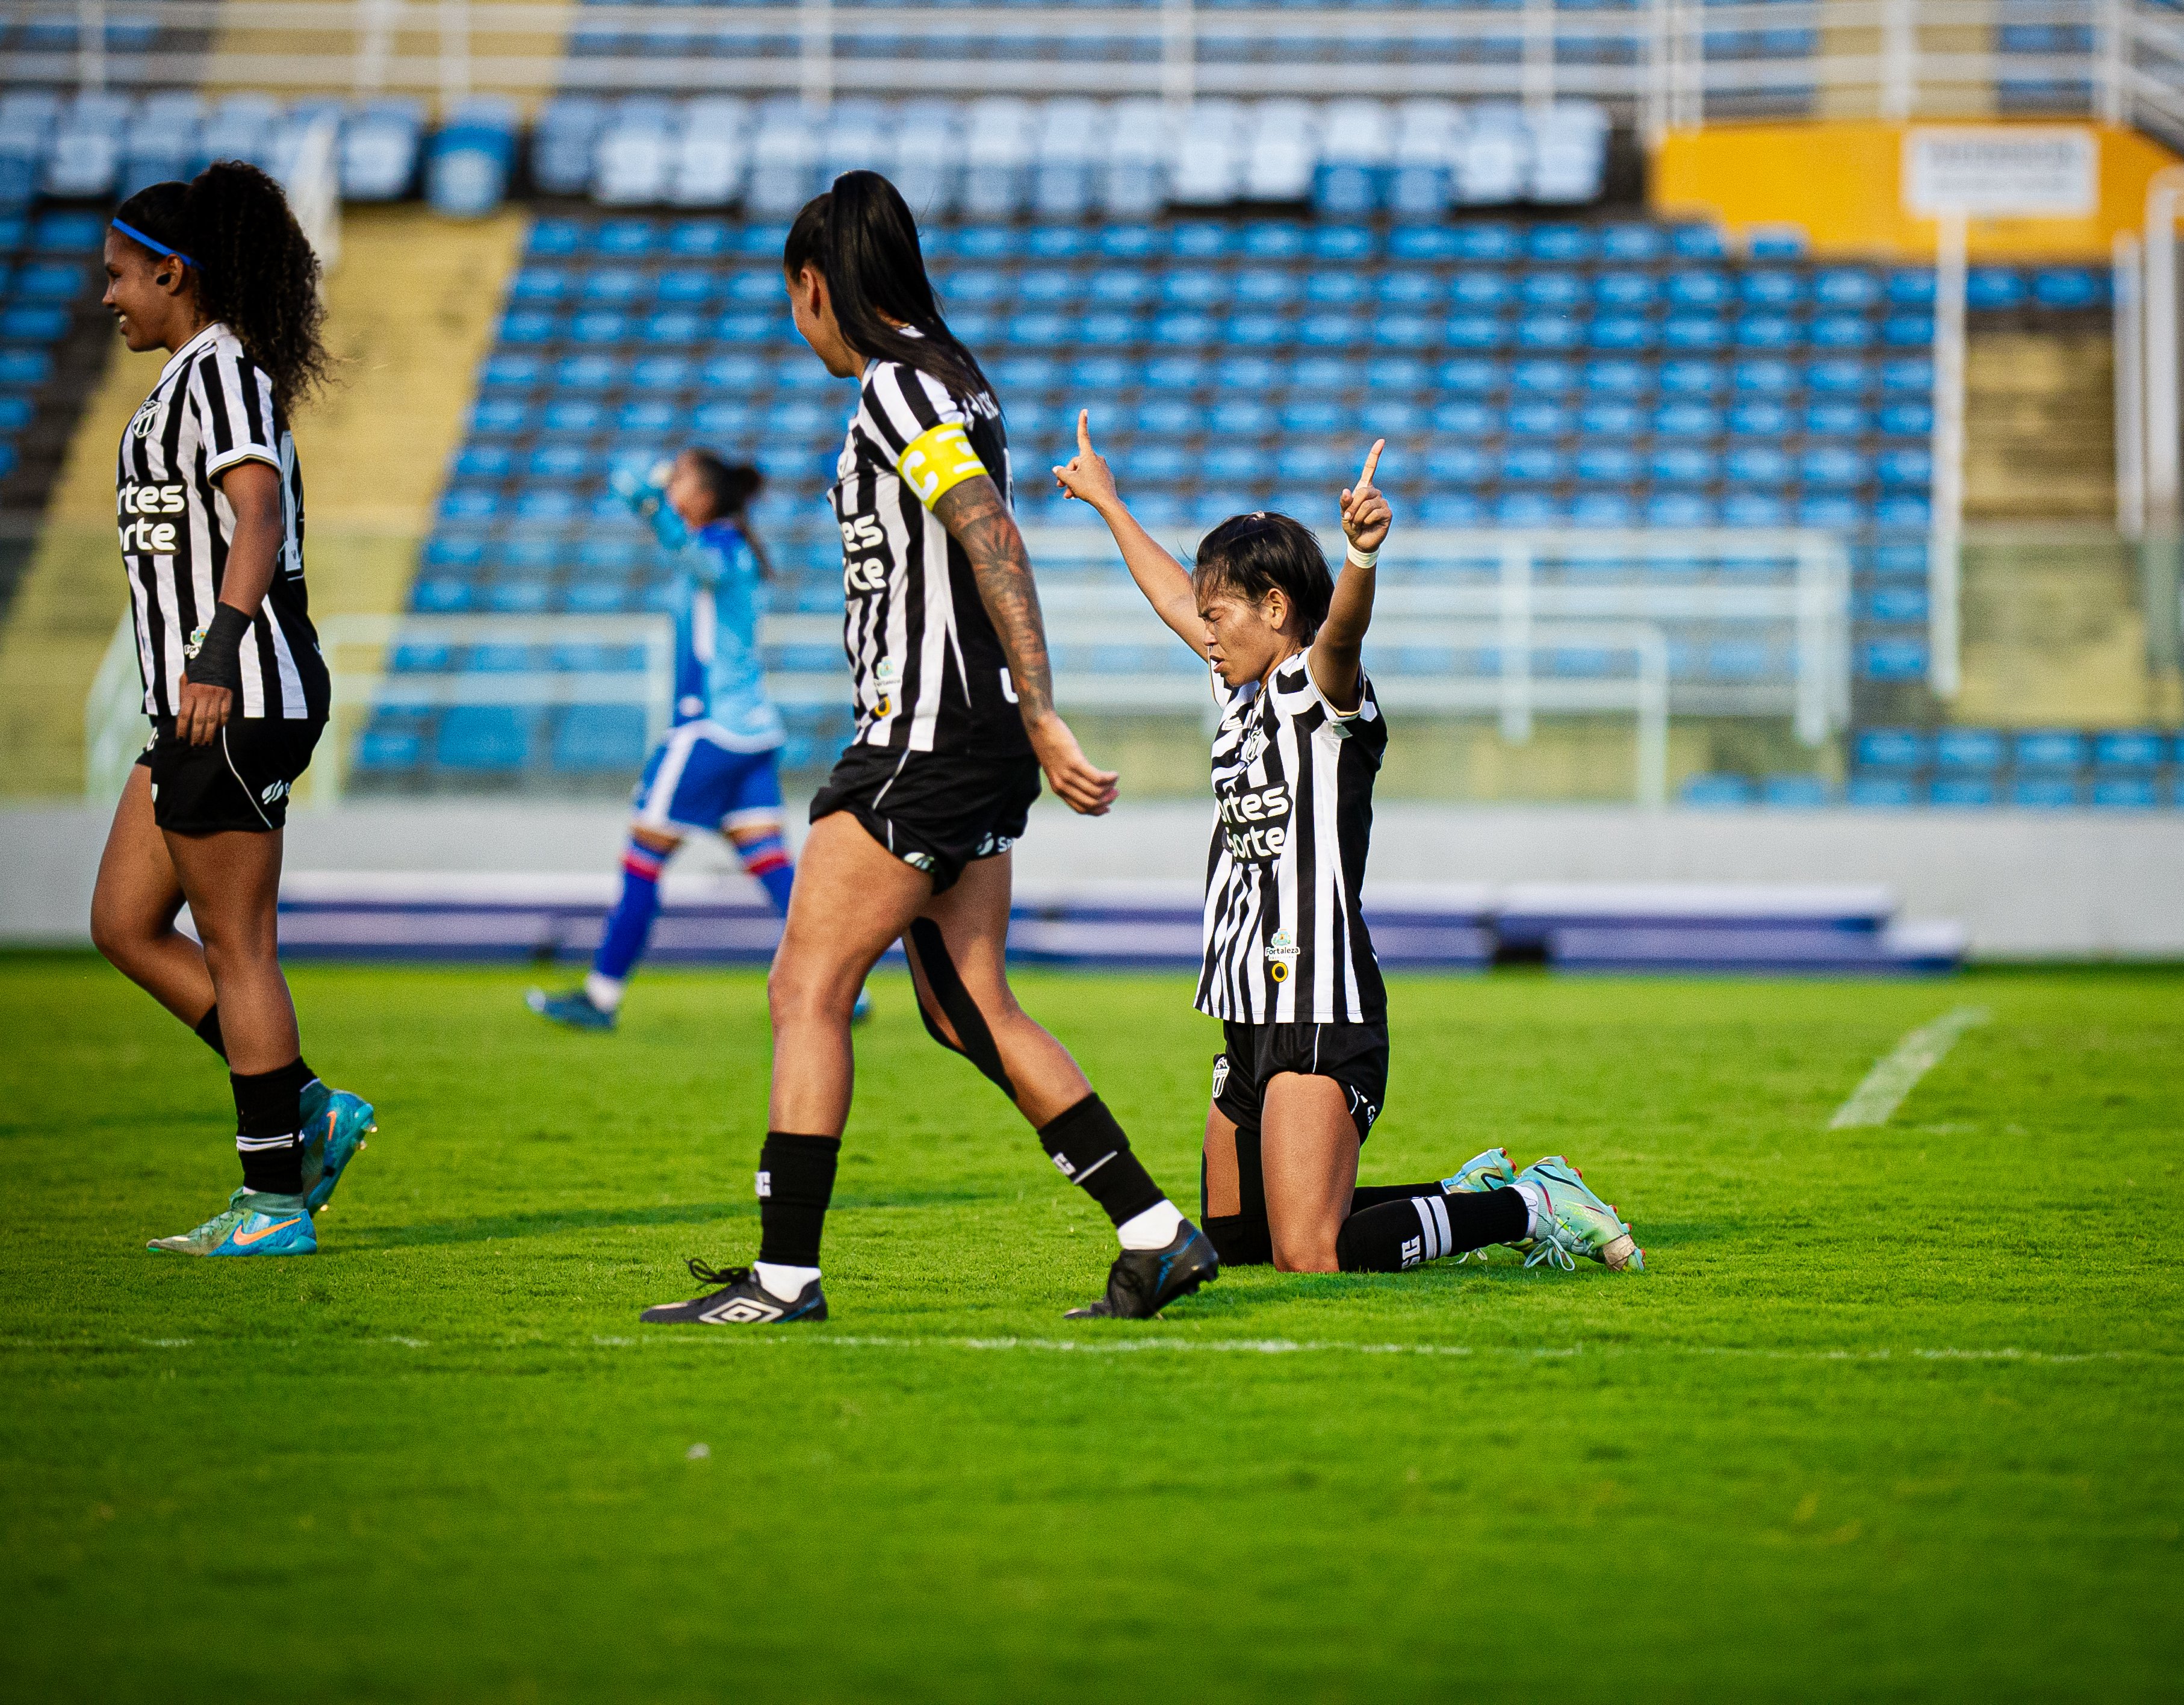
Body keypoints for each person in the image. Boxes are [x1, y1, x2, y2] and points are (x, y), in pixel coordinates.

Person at [641, 170, 1216, 1326]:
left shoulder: (899, 386)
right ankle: (1156, 1233)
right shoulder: (960, 378)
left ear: (816, 285)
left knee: (804, 986)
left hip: (922, 741)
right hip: (972, 740)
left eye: (791, 298)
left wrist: (1042, 705)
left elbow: (989, 532)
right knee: (968, 1007)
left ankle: (783, 1279)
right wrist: (1026, 716)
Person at [1052, 415, 1645, 1276]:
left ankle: (1531, 1203)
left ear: (1276, 609)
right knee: (1241, 1244)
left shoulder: (1314, 692)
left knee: (1310, 1255)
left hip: (1321, 1008)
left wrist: (1361, 556)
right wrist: (1108, 502)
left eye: (1220, 616)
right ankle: (1462, 1198)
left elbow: (1341, 636)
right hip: (1249, 1010)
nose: (1203, 630)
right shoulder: (1240, 691)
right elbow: (1174, 595)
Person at [85, 163, 376, 1258]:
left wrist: (214, 654)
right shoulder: (180, 384)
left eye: (120, 275)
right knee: (121, 921)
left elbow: (255, 513)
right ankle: (306, 1105)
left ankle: (272, 1204)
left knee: (238, 945)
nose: (109, 296)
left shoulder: (222, 377)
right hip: (192, 706)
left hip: (235, 697)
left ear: (174, 271)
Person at [526, 448, 868, 1030]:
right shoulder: (732, 548)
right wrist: (661, 501)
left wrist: (650, 502)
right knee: (771, 866)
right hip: (752, 735)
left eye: (682, 477)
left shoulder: (720, 548)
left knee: (642, 861)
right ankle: (848, 994)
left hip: (709, 732)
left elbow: (690, 553)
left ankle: (600, 997)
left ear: (704, 498)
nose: (670, 480)